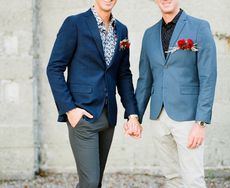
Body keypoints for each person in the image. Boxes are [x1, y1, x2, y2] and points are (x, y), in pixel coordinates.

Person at [46, 0, 142, 187]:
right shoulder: (74, 24)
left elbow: (123, 75)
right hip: (83, 116)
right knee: (89, 182)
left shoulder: (121, 30)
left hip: (109, 117)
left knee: (95, 181)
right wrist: (70, 110)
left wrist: (132, 114)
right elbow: (54, 68)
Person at [131, 0, 217, 187]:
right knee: (172, 178)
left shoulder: (199, 27)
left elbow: (208, 78)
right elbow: (145, 80)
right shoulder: (149, 34)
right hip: (158, 117)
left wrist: (200, 122)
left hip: (188, 117)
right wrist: (134, 116)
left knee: (193, 179)